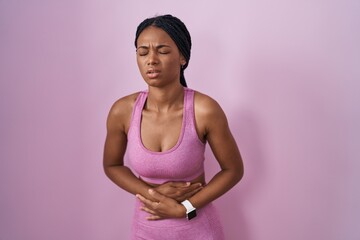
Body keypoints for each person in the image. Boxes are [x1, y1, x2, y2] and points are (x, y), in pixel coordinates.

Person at [103, 14, 244, 240]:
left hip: (198, 230)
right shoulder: (123, 111)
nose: (151, 59)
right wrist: (151, 192)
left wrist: (185, 207)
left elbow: (233, 170)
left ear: (182, 57)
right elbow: (111, 165)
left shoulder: (204, 110)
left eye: (163, 50)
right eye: (143, 52)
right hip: (144, 232)